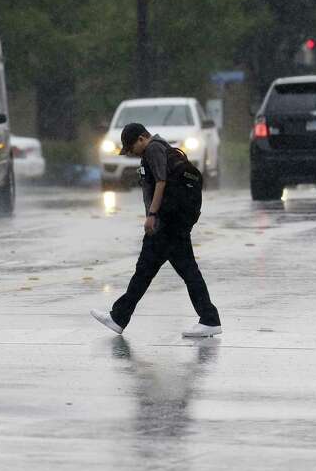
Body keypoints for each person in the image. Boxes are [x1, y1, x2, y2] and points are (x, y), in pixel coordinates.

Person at [91, 122, 221, 337]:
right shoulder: (161, 149)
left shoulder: (153, 149)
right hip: (172, 222)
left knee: (151, 271)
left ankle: (120, 317)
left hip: (165, 224)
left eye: (132, 147)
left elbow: (161, 181)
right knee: (164, 271)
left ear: (142, 138)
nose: (132, 153)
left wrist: (152, 214)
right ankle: (208, 318)